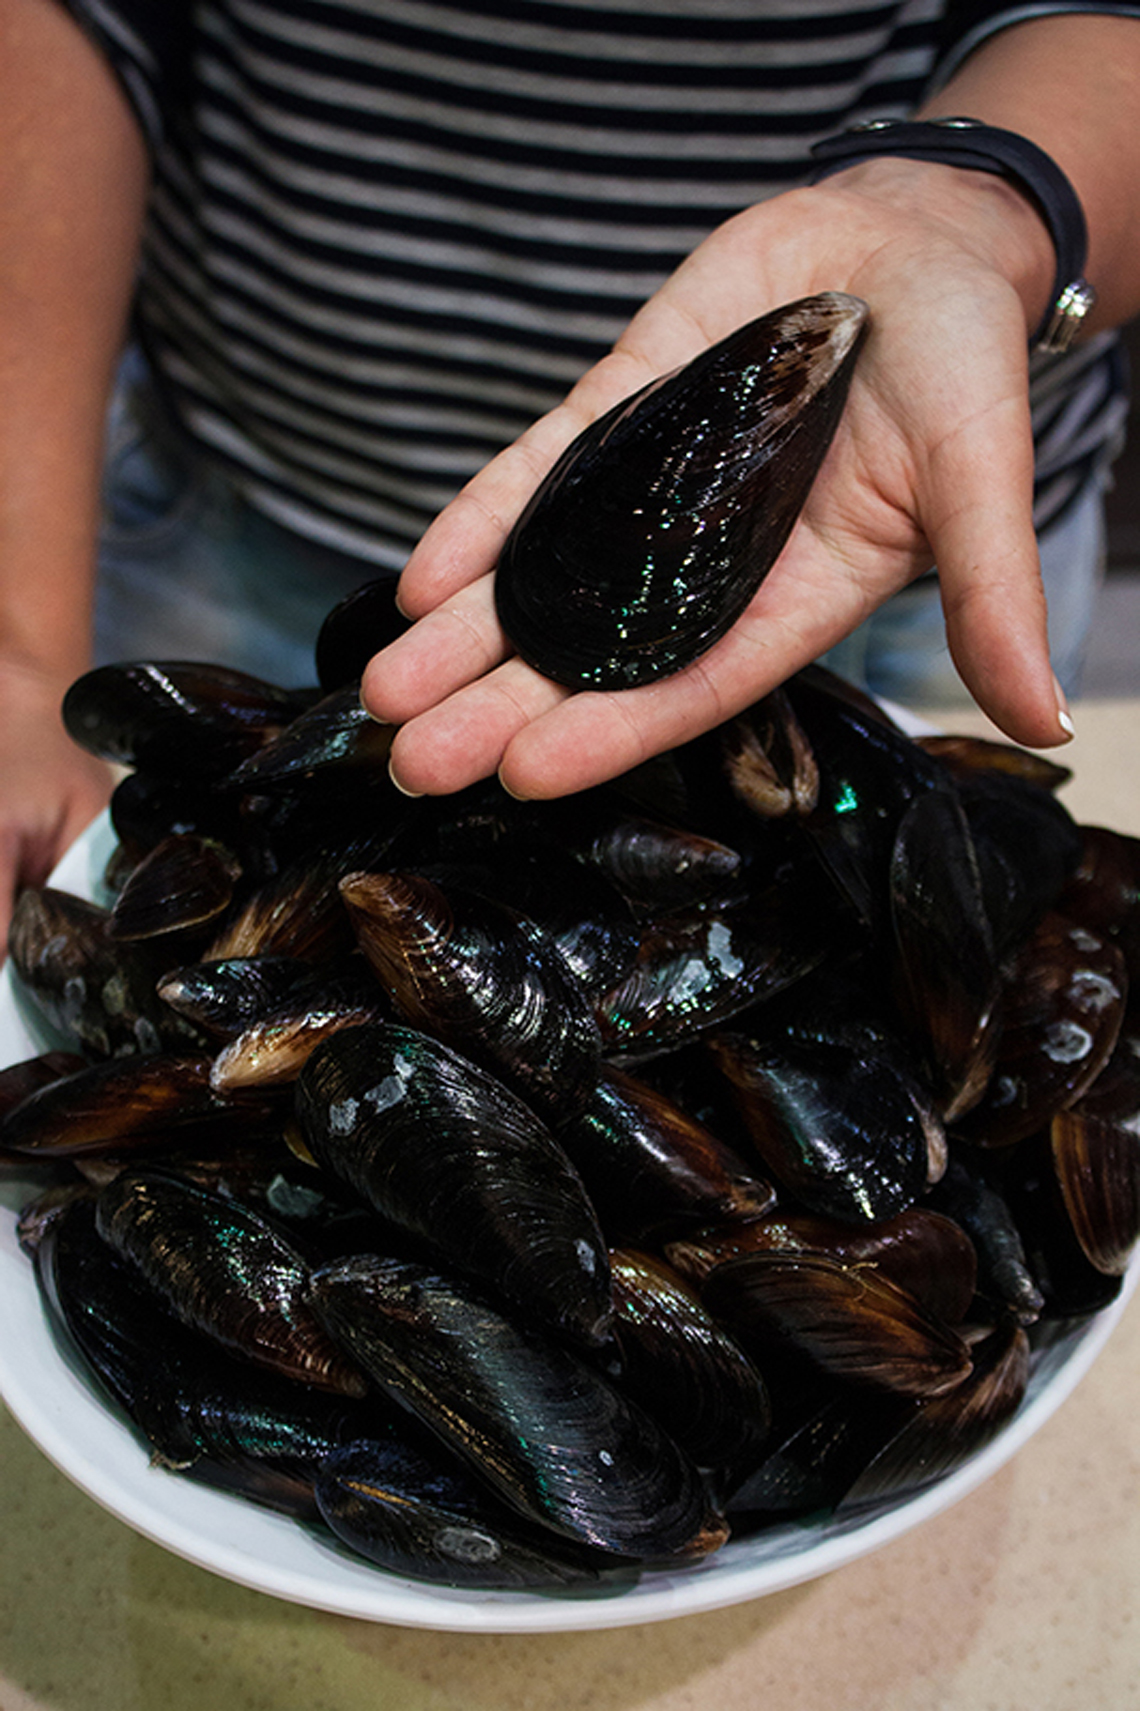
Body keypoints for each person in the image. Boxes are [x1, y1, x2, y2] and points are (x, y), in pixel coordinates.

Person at [2, 0, 1140, 947]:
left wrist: (981, 203)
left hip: (887, 527)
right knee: (274, 850)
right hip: (237, 512)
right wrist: (16, 652)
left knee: (908, 912)